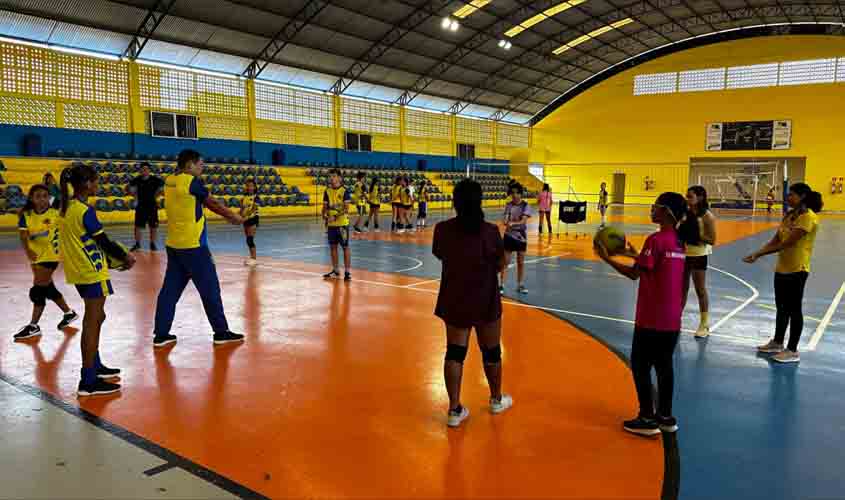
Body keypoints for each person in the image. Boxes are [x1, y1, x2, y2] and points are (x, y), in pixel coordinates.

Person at [594, 192, 689, 436]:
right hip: (671, 319)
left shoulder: (655, 240)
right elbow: (655, 266)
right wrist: (632, 254)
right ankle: (666, 418)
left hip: (651, 318)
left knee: (640, 365)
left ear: (666, 212)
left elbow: (635, 274)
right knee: (665, 367)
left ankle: (647, 418)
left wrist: (607, 259)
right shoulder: (678, 241)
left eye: (656, 206)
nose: (652, 209)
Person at [432, 178, 512, 428]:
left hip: (455, 298)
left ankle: (454, 409)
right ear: (479, 202)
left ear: (455, 202)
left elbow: (440, 253)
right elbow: (500, 265)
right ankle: (496, 399)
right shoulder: (489, 232)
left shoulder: (442, 230)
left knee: (455, 353)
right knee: (491, 352)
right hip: (484, 299)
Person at [152, 149, 245, 348]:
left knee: (169, 291)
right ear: (190, 165)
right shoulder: (192, 182)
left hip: (174, 245)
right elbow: (212, 203)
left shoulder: (169, 181)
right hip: (194, 246)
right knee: (210, 288)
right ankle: (221, 332)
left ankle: (161, 334)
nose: (202, 168)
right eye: (200, 164)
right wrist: (233, 217)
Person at [58, 164, 135, 396]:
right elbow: (104, 242)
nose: (98, 185)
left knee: (98, 316)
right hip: (91, 271)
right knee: (92, 322)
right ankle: (88, 380)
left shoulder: (66, 207)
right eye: (95, 181)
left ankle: (96, 365)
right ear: (88, 184)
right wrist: (125, 257)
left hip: (78, 270)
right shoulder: (85, 211)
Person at [744, 183, 823, 363]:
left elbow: (788, 243)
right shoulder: (788, 216)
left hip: (798, 269)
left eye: (792, 195)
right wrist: (757, 253)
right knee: (781, 307)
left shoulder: (808, 218)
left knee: (794, 309)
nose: (788, 198)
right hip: (782, 268)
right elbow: (776, 240)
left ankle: (792, 350)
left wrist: (760, 253)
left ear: (802, 196)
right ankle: (777, 342)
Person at [14, 184, 78, 340]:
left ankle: (33, 326)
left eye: (45, 196)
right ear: (32, 199)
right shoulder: (26, 215)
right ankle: (69, 313)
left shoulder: (56, 213)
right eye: (38, 196)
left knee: (38, 291)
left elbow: (68, 204)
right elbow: (23, 236)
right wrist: (28, 251)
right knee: (49, 288)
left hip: (51, 257)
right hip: (36, 257)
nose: (42, 199)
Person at [681, 186, 717, 338]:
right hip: (683, 254)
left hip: (698, 254)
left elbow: (712, 240)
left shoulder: (707, 216)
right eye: (686, 196)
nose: (687, 199)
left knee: (700, 290)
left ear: (700, 198)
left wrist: (697, 235)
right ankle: (677, 318)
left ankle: (704, 323)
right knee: (681, 289)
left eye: (690, 196)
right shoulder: (684, 213)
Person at [500, 183, 531, 295]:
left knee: (520, 262)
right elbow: (505, 219)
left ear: (520, 194)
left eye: (516, 193)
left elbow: (523, 221)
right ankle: (501, 285)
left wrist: (512, 223)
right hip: (509, 236)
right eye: (512, 193)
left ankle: (520, 285)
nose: (514, 195)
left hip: (521, 237)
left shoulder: (526, 206)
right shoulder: (508, 205)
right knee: (505, 262)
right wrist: (505, 221)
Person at [323, 168, 352, 281]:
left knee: (345, 247)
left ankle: (347, 272)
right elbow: (324, 207)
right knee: (333, 247)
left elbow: (346, 209)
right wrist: (324, 215)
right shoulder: (327, 191)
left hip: (342, 224)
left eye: (334, 176)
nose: (331, 178)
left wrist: (334, 216)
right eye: (330, 176)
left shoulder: (345, 191)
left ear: (339, 178)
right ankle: (335, 270)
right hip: (331, 225)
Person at [128, 162, 164, 252]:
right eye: (142, 169)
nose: (144, 171)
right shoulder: (136, 180)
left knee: (153, 226)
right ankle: (137, 244)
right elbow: (131, 190)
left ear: (149, 170)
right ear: (140, 170)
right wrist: (135, 198)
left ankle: (152, 244)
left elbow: (161, 189)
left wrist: (155, 197)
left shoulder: (155, 180)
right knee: (138, 226)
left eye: (146, 169)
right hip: (140, 206)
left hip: (152, 206)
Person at [240, 178, 259, 267]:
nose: (249, 187)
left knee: (250, 239)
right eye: (247, 186)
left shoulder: (256, 197)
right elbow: (242, 209)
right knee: (248, 239)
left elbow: (254, 209)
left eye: (251, 186)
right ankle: (251, 258)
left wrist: (246, 216)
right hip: (245, 219)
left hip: (253, 219)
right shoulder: (244, 198)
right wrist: (237, 217)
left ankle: (254, 259)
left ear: (254, 187)